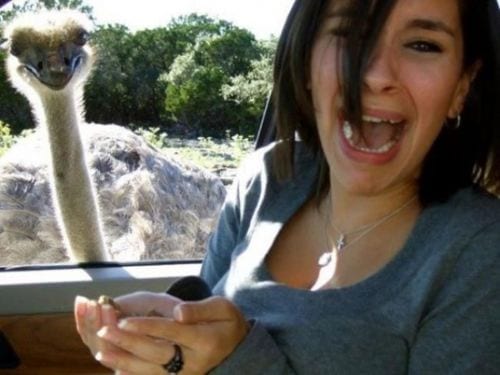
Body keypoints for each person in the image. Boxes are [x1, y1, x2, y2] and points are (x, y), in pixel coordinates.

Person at [74, 0, 500, 373]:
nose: (374, 74)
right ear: (308, 57)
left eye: (423, 44)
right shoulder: (269, 180)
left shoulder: (481, 252)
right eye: (349, 33)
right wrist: (157, 343)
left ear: (461, 86)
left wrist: (236, 359)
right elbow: (199, 325)